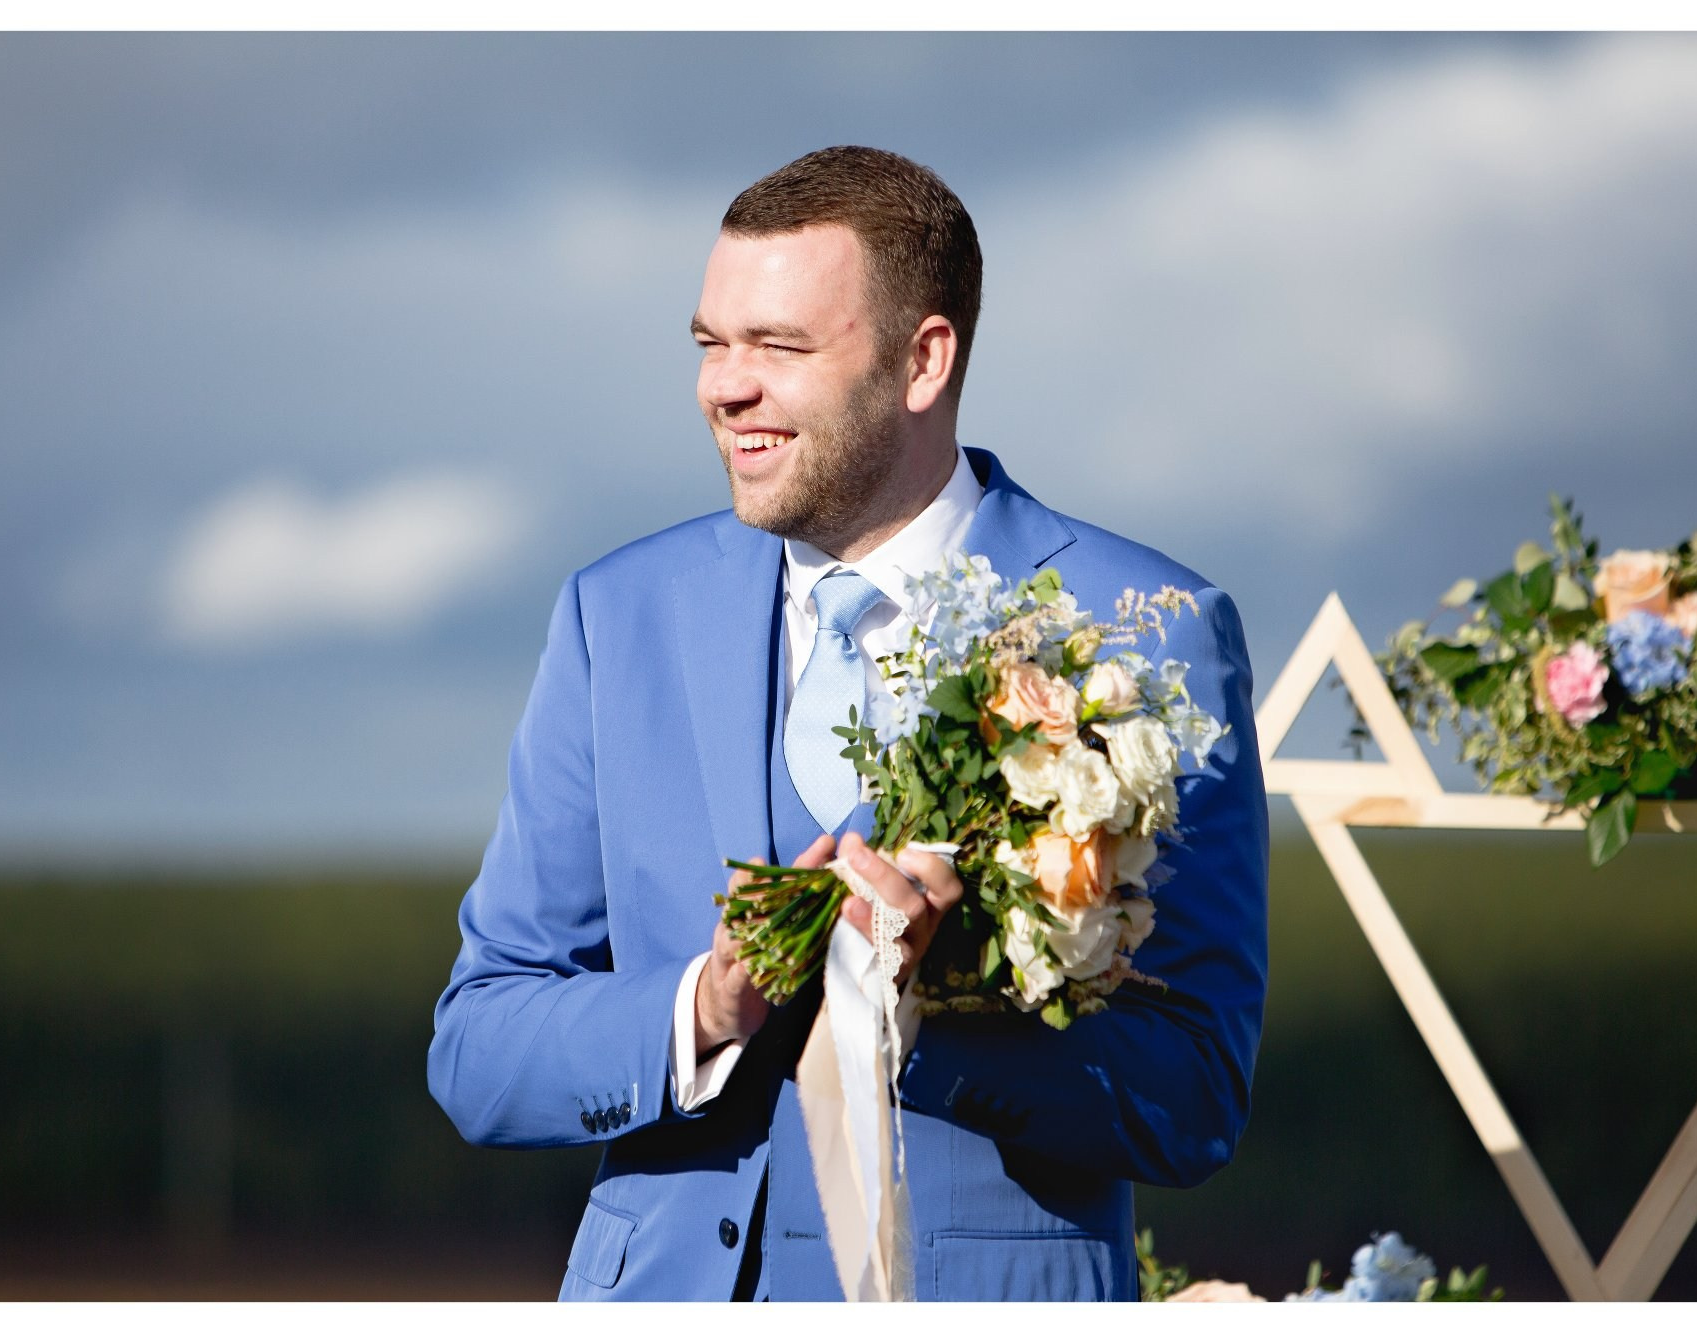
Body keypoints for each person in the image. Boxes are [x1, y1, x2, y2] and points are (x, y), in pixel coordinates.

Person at [428, 145, 1269, 1302]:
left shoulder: (1142, 628)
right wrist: (701, 1008)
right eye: (709, 343)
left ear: (923, 361)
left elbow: (1195, 1095)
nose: (722, 387)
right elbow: (481, 1047)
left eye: (777, 347)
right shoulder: (616, 615)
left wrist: (936, 1009)